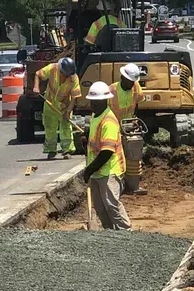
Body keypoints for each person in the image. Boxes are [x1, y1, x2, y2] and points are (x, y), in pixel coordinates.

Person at [83, 81, 131, 231]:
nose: (93, 104)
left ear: (105, 101)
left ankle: (125, 231)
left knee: (111, 205)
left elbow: (107, 152)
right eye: (92, 101)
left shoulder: (108, 120)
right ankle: (109, 233)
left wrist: (89, 169)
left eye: (97, 102)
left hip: (110, 170)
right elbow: (96, 141)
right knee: (100, 207)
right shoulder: (95, 116)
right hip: (98, 171)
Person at [33, 57, 81, 160]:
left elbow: (74, 97)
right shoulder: (52, 68)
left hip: (65, 106)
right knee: (50, 127)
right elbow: (38, 74)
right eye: (65, 74)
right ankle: (51, 150)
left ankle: (67, 150)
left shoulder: (74, 78)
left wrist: (68, 111)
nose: (66, 76)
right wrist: (36, 87)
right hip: (50, 103)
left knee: (66, 128)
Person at [109, 63, 147, 195]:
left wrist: (134, 120)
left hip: (129, 125)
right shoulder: (112, 90)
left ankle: (133, 184)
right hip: (114, 127)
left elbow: (137, 103)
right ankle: (117, 184)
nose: (131, 84)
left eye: (133, 82)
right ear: (122, 78)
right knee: (116, 157)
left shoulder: (136, 87)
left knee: (134, 152)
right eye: (129, 81)